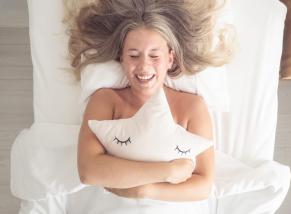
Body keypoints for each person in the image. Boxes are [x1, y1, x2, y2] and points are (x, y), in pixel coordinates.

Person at [64, 0, 233, 203]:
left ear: (170, 59)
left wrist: (145, 191)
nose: (144, 66)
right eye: (134, 55)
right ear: (121, 58)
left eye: (154, 56)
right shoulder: (106, 100)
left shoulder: (191, 107)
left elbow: (203, 186)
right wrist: (167, 171)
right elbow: (89, 171)